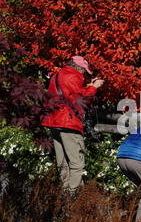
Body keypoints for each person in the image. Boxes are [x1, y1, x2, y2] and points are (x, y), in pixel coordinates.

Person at [42, 56, 104, 195]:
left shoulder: (58, 75)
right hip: (68, 122)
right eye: (83, 71)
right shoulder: (72, 76)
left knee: (62, 162)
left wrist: (88, 86)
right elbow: (81, 99)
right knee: (77, 164)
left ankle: (65, 194)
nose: (83, 74)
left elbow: (70, 93)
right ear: (79, 68)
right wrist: (94, 87)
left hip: (54, 121)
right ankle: (71, 198)